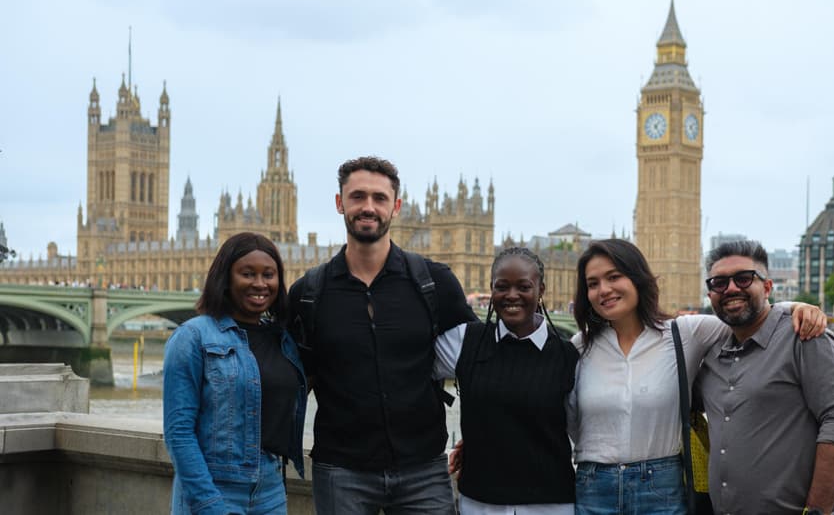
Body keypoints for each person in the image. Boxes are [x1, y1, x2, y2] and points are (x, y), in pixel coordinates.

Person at [569, 239, 826, 515]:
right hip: (593, 488)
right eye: (592, 284)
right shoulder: (578, 348)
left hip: (662, 488)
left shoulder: (685, 334)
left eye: (614, 277)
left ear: (637, 278)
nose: (603, 290)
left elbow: (750, 315)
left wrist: (798, 307)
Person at [289, 156, 476, 514]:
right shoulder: (308, 292)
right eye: (358, 196)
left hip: (423, 468)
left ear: (397, 207)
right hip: (341, 470)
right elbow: (289, 379)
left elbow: (480, 363)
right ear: (340, 202)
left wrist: (481, 431)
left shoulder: (435, 282)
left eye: (379, 198)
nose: (368, 207)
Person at [696, 240, 834, 514]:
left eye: (744, 278)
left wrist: (817, 511)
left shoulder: (806, 337)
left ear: (768, 287)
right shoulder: (712, 353)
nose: (732, 288)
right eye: (719, 282)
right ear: (710, 293)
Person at [163, 232, 307, 515]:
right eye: (247, 274)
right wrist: (209, 503)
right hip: (215, 488)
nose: (260, 284)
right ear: (225, 277)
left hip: (271, 489)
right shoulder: (192, 337)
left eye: (269, 274)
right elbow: (178, 433)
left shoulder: (284, 341)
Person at [435, 247, 580, 514]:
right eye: (502, 287)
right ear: (491, 289)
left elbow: (583, 433)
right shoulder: (465, 342)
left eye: (524, 287)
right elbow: (405, 363)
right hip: (480, 503)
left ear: (541, 290)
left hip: (551, 505)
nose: (512, 295)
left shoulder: (567, 355)